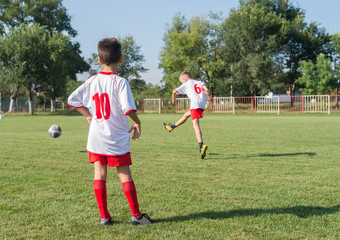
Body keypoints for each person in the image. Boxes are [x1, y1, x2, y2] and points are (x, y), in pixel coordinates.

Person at [67, 37, 154, 226]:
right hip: (116, 138)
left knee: (99, 174)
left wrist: (88, 116)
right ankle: (136, 216)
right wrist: (138, 123)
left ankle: (104, 217)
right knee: (124, 173)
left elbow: (72, 100)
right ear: (121, 58)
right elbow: (128, 109)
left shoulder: (92, 81)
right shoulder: (121, 82)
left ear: (99, 60)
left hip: (96, 137)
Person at [163, 71, 209, 159]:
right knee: (186, 115)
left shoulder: (187, 83)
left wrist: (174, 100)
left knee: (195, 125)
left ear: (185, 79)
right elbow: (204, 86)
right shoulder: (198, 82)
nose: (182, 84)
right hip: (202, 105)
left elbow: (174, 91)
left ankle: (201, 145)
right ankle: (171, 127)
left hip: (195, 105)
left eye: (182, 82)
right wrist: (206, 90)